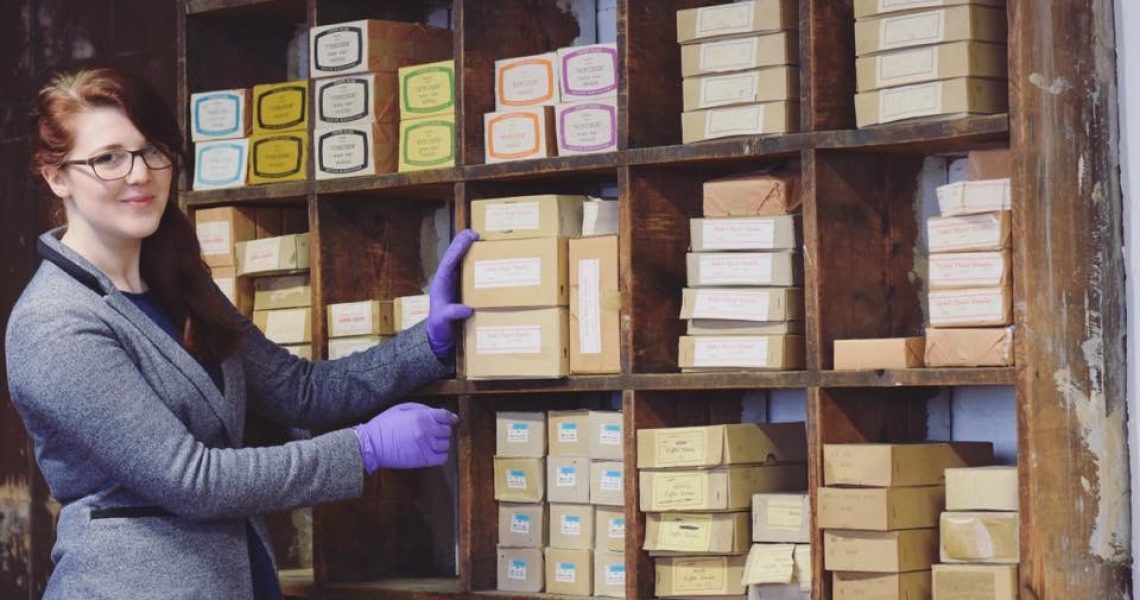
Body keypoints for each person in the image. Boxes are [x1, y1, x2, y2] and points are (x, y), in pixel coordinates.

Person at [4, 67, 478, 599]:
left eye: (152, 149)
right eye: (108, 158)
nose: (139, 174)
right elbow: (190, 480)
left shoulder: (178, 282)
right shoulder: (56, 324)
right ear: (56, 175)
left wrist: (429, 342)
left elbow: (301, 391)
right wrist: (362, 449)